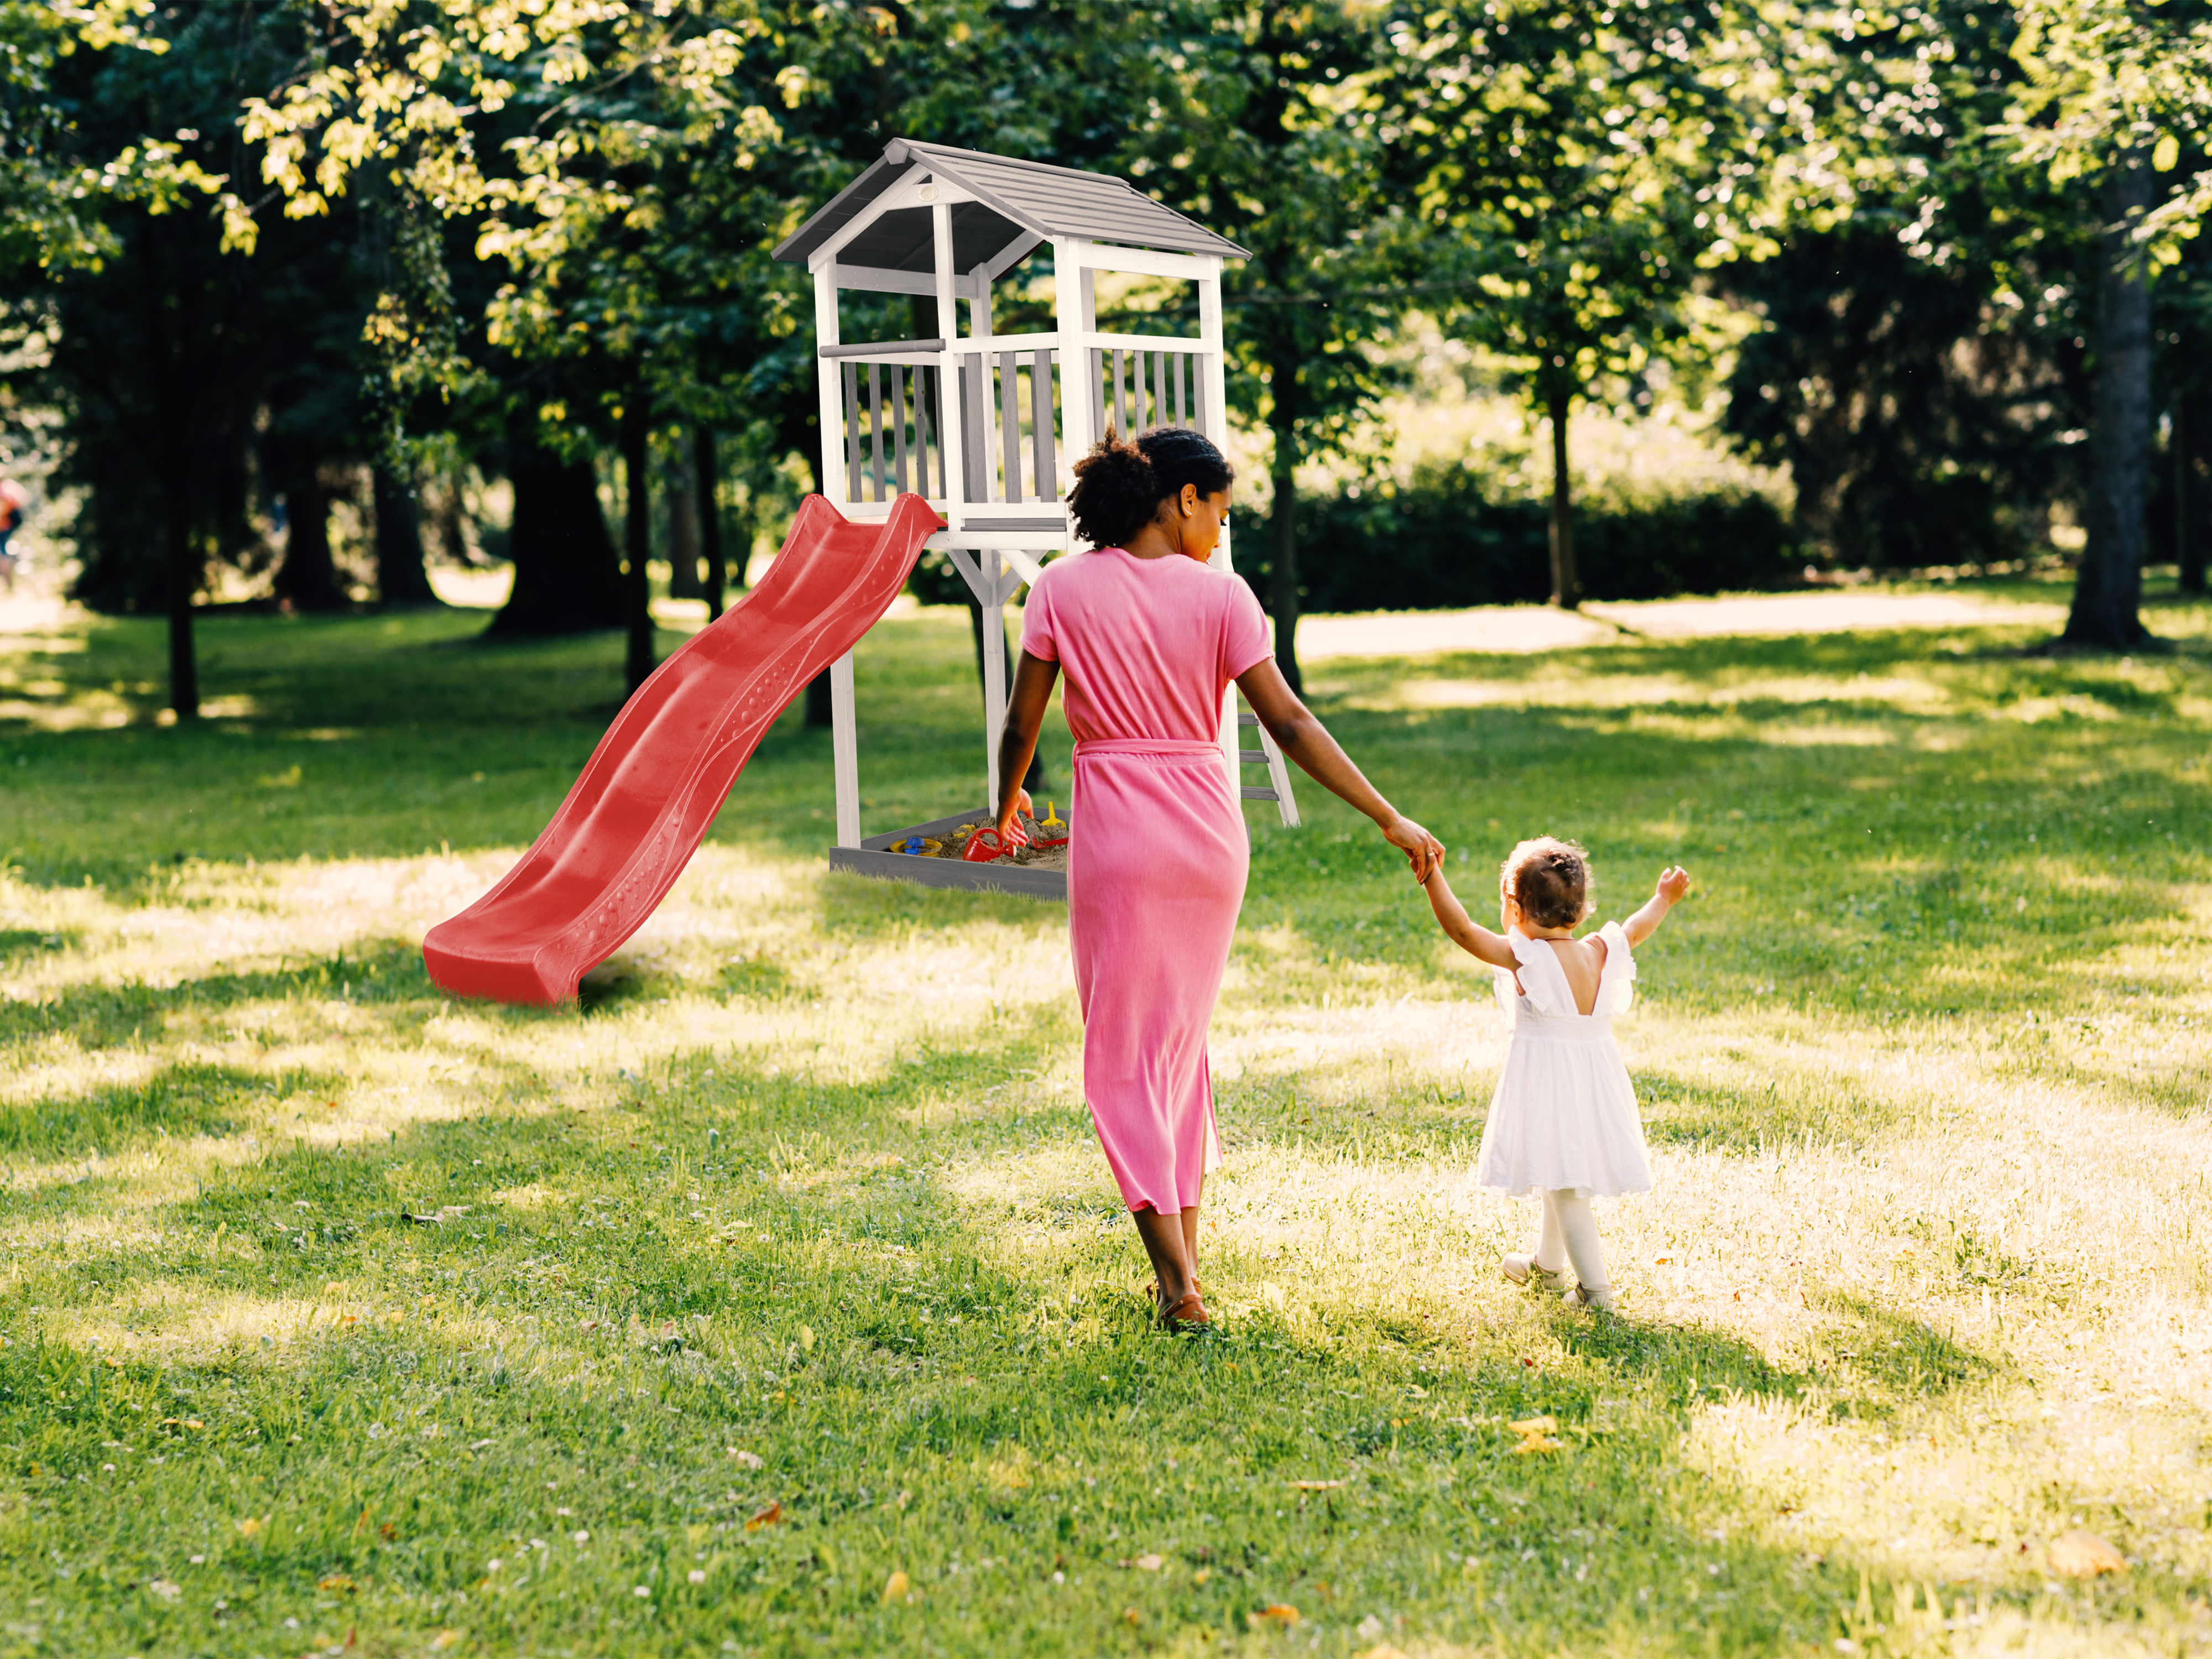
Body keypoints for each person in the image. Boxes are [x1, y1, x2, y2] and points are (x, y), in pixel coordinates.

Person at [992, 427, 1444, 1331]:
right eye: (1222, 512)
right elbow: (1290, 723)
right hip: (1208, 838)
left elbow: (1021, 724)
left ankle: (1177, 1286)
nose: (1222, 533)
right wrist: (1386, 814)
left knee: (1123, 1058)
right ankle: (1186, 1267)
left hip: (1119, 838)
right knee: (1176, 1052)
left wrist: (1003, 808)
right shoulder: (1224, 598)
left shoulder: (1059, 588)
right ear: (1183, 499)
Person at [1418, 838, 1691, 1311]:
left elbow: (1462, 931)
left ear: (1515, 908)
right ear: (1581, 911)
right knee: (1556, 1170)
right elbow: (1636, 927)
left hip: (1551, 1084)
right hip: (1594, 1082)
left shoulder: (1527, 958)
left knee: (1566, 1188)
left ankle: (1595, 1292)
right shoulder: (1599, 950)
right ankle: (1547, 1266)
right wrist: (1663, 898)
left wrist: (1431, 876)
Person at [0, 478, 27, 595]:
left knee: (2, 550)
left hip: (7, 524)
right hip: (10, 523)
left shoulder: (4, 491)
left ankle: (6, 575)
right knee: (3, 549)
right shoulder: (8, 486)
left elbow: (5, 509)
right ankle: (7, 577)